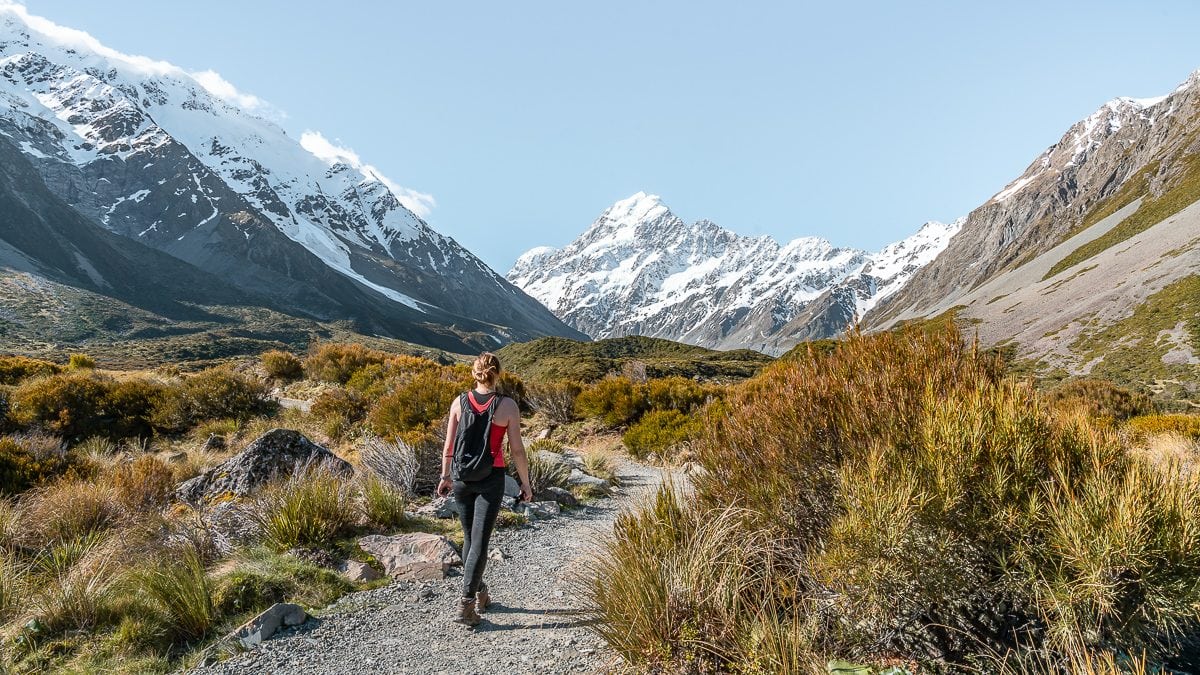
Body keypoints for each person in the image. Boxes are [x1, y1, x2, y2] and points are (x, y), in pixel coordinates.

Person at [437, 352, 532, 626]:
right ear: (497, 373)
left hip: (462, 478)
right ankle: (466, 603)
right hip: (491, 477)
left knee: (469, 538)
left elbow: (449, 446)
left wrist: (445, 476)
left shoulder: (459, 402)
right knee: (479, 540)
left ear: (474, 373)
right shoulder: (507, 406)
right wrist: (524, 483)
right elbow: (516, 449)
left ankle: (480, 593)